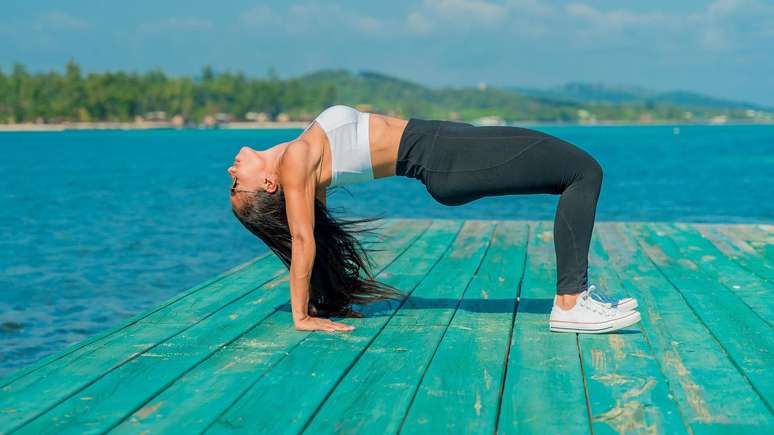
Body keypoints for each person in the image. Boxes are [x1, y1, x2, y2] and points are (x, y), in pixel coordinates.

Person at [228, 105, 641, 334]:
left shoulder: (302, 152)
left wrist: (326, 297)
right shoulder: (296, 163)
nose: (231, 173)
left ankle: (576, 297)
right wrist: (301, 316)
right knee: (582, 171)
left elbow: (317, 233)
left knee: (574, 171)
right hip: (446, 157)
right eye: (236, 187)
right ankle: (571, 303)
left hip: (447, 146)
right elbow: (303, 240)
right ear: (268, 185)